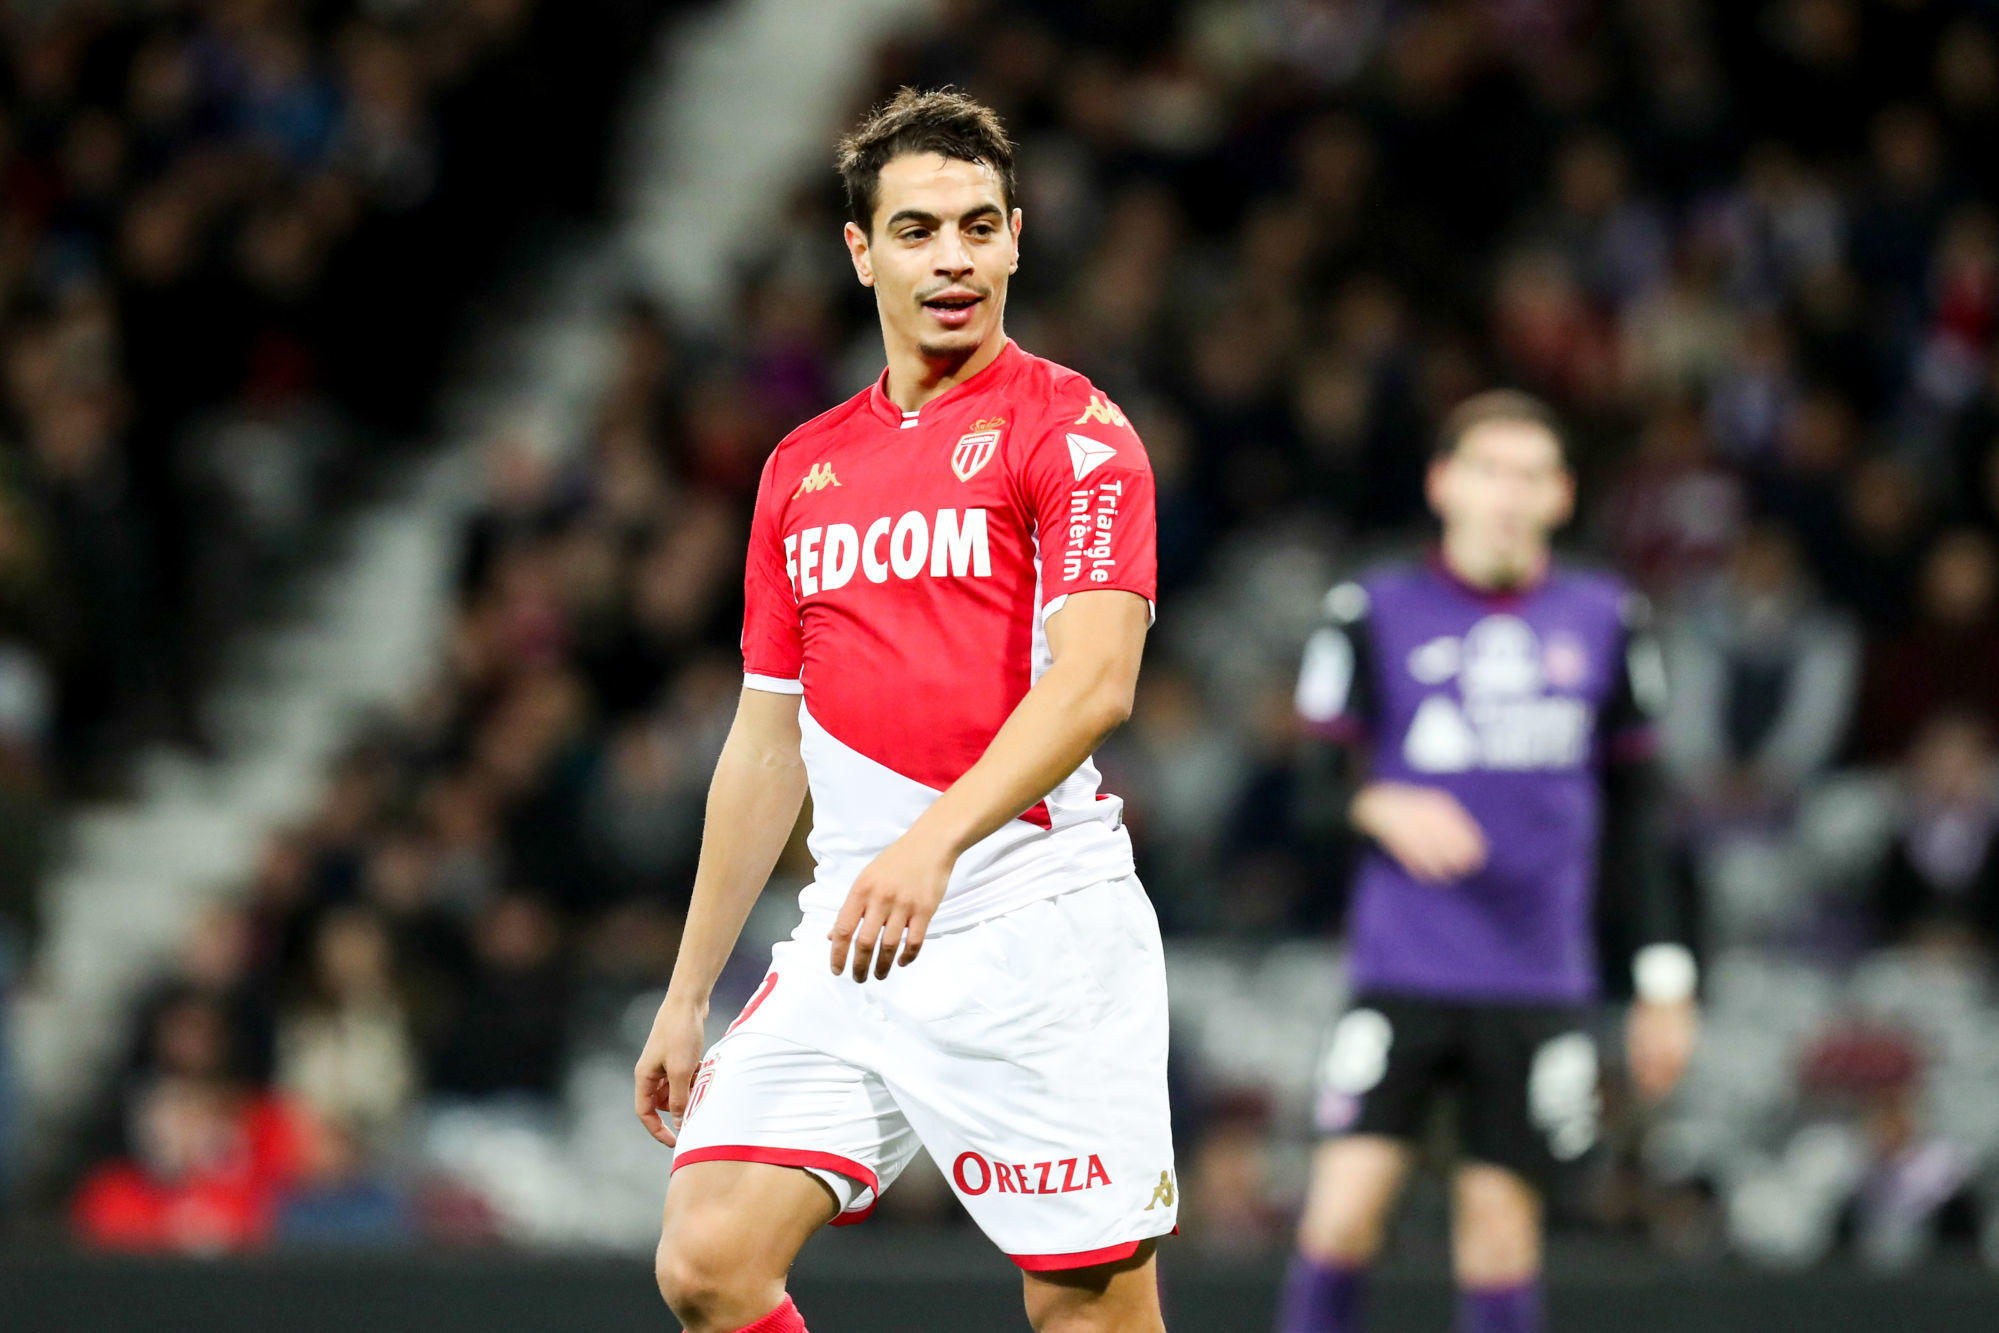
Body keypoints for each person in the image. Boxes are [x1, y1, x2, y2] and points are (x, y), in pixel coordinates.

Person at [632, 89, 1171, 1333]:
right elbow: (767, 739)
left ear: (1018, 241)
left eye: (979, 228)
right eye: (919, 230)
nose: (953, 259)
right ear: (860, 250)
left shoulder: (1073, 432)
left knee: (1084, 1314)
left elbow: (1096, 683)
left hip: (1033, 929)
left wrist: (931, 846)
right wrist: (686, 988)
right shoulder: (799, 469)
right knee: (708, 1263)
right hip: (855, 932)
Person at [1281, 392, 1700, 1333]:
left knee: (1501, 1231)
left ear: (1561, 494)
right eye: (1487, 471)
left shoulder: (1607, 616)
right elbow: (1304, 789)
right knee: (1341, 1214)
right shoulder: (1370, 607)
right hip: (1402, 968)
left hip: (1537, 974)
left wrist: (1663, 977)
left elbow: (1641, 813)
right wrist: (1371, 798)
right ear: (1442, 483)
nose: (1507, 496)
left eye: (1529, 476)